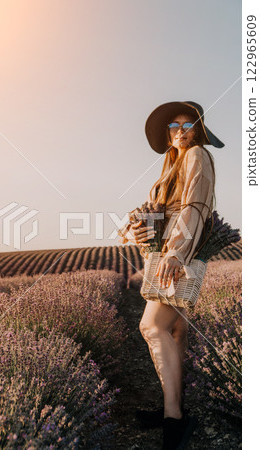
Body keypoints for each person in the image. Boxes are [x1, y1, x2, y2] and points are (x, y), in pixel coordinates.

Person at [118, 101, 224, 450]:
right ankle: (173, 409)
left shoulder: (196, 156)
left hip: (178, 256)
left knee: (150, 326)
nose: (179, 131)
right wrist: (139, 229)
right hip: (168, 254)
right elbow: (162, 214)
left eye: (187, 124)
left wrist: (176, 252)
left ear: (198, 129)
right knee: (174, 331)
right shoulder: (173, 165)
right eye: (173, 126)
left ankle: (174, 419)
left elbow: (195, 207)